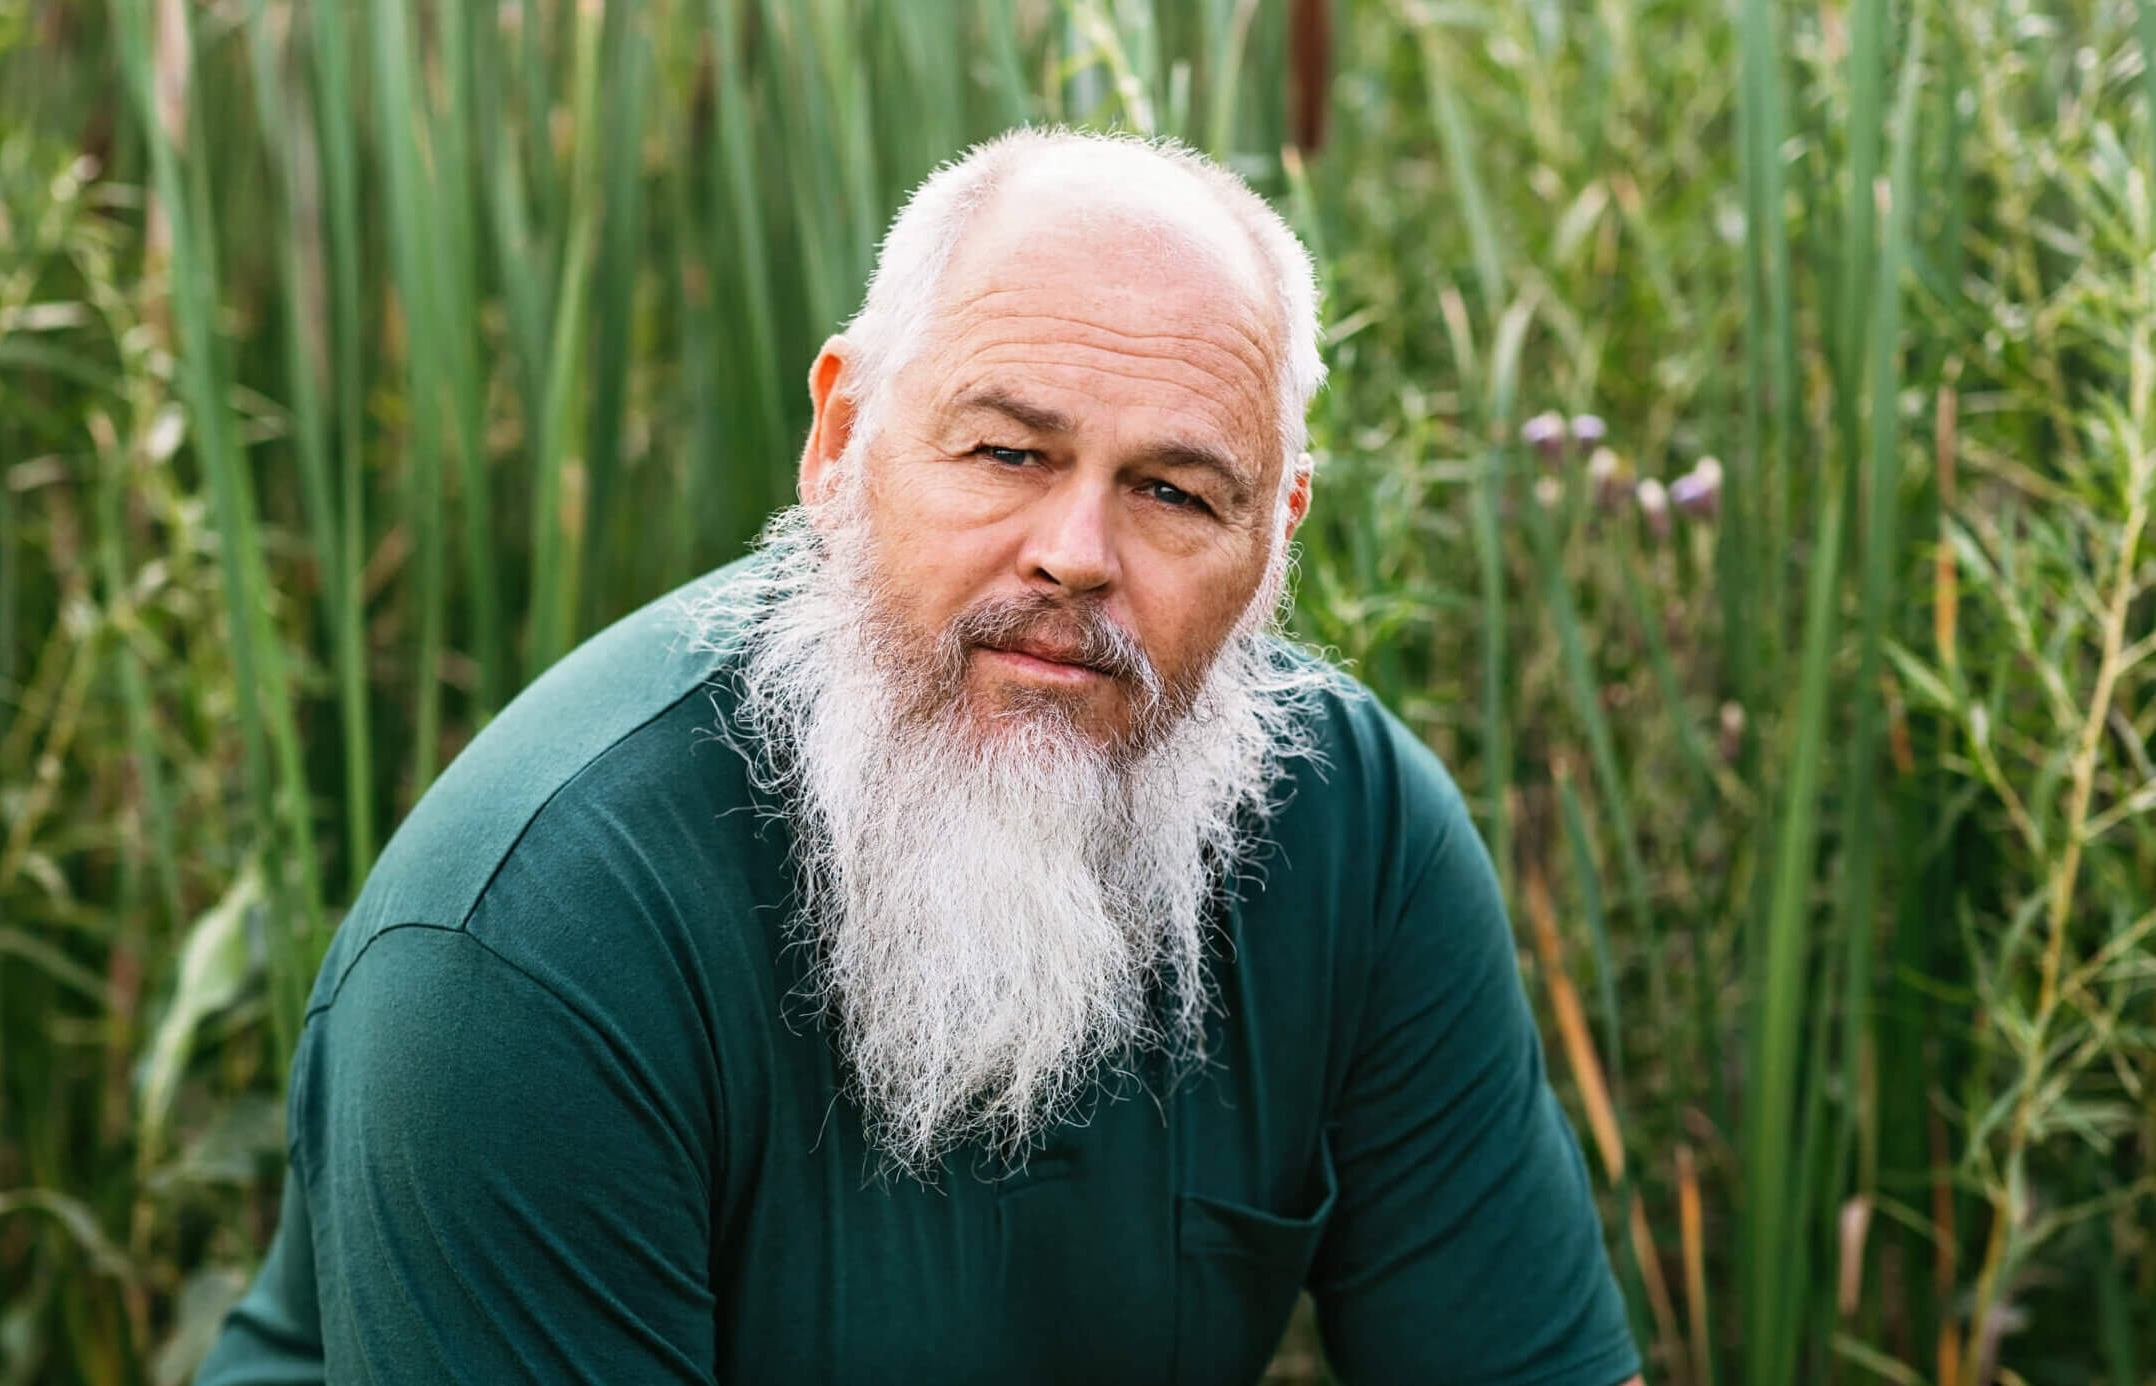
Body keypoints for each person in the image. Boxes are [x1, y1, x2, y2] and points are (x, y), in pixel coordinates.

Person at [197, 127, 1643, 1386]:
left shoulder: (1359, 837)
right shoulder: (535, 937)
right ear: (839, 442)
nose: (1075, 554)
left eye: (1173, 490)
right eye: (1006, 453)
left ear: (1276, 538)